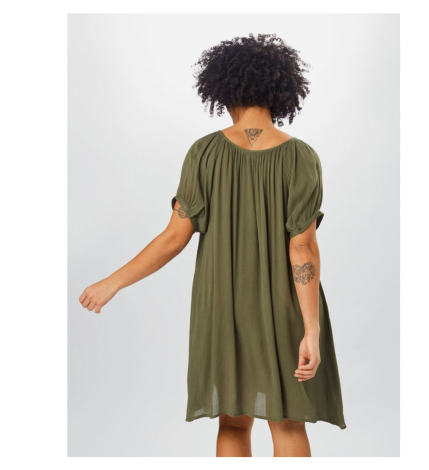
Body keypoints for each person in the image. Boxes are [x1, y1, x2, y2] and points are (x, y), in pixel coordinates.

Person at [79, 33, 346, 457]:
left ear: (222, 87)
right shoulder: (301, 157)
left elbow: (173, 238)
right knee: (288, 422)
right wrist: (310, 330)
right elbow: (303, 249)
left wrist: (112, 283)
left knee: (233, 422)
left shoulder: (203, 153)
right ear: (282, 89)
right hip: (285, 308)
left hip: (222, 307)